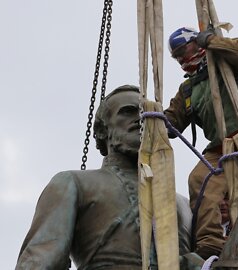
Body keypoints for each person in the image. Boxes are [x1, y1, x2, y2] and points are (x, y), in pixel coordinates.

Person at [16, 85, 193, 270]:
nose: (140, 118)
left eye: (145, 112)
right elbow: (39, 259)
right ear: (102, 130)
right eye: (127, 112)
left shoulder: (185, 205)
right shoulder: (74, 183)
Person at [164, 26, 238, 259]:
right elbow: (172, 122)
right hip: (222, 146)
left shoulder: (227, 61)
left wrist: (213, 42)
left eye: (184, 50)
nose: (182, 58)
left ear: (196, 43)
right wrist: (154, 120)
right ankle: (211, 241)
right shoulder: (190, 87)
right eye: (177, 56)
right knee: (200, 178)